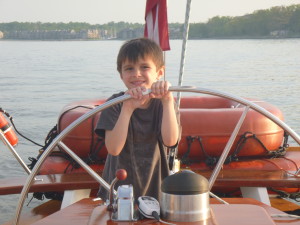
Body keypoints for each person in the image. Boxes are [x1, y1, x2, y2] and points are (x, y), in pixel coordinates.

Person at [95, 37, 180, 202]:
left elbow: (170, 141)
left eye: (144, 67)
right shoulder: (114, 105)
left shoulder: (165, 104)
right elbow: (113, 149)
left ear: (159, 72)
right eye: (129, 69)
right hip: (118, 191)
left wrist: (168, 101)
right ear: (121, 75)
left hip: (157, 190)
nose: (136, 74)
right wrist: (127, 109)